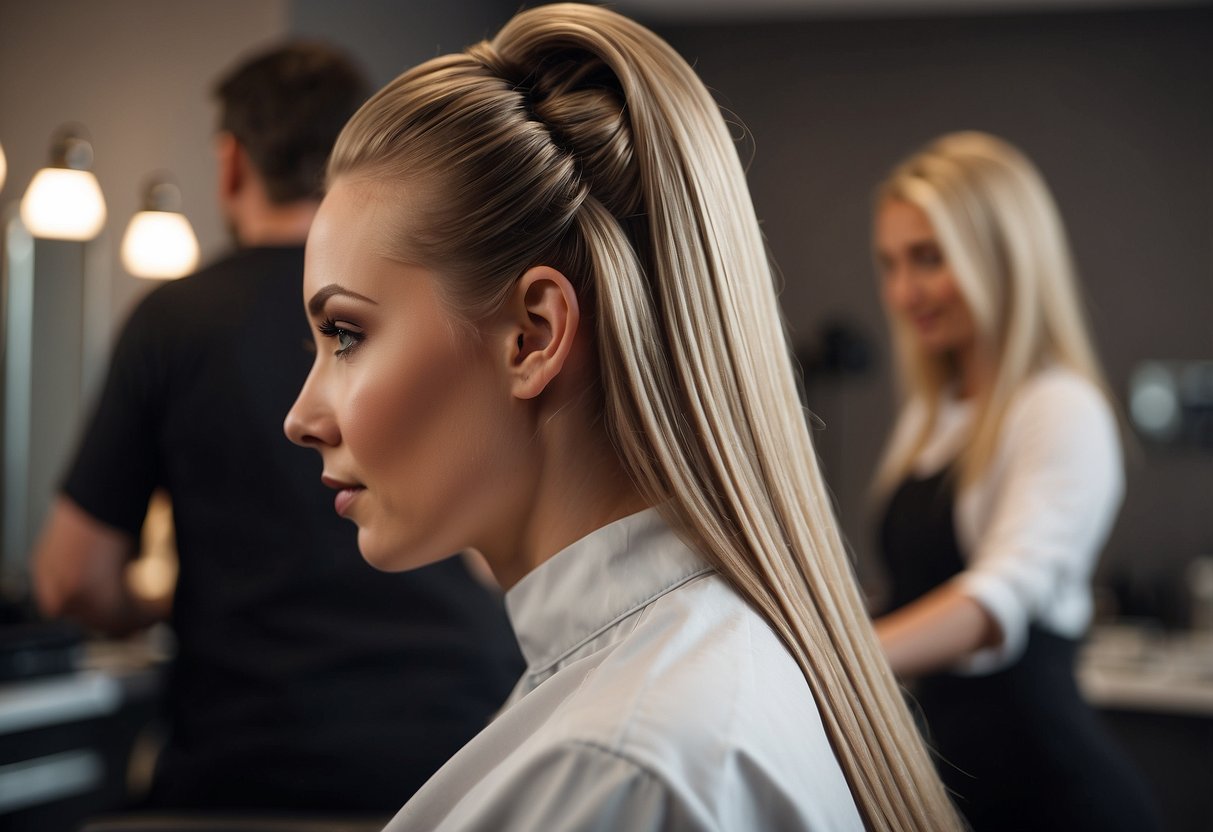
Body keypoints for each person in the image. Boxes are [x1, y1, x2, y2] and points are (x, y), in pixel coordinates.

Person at [284, 5, 963, 830]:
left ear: (532, 336)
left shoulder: (617, 774)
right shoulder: (645, 700)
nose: (303, 415)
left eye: (346, 335)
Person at [31, 41, 523, 815]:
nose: (307, 415)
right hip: (460, 745)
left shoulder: (175, 321)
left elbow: (69, 578)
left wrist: (173, 601)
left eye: (346, 338)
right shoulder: (434, 305)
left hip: (257, 763)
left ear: (231, 164)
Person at [869, 131, 1159, 831]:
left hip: (1051, 793)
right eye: (890, 264)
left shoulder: (1059, 408)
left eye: (929, 259)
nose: (904, 291)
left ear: (999, 257)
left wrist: (836, 660)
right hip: (955, 788)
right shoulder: (931, 414)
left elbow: (995, 598)